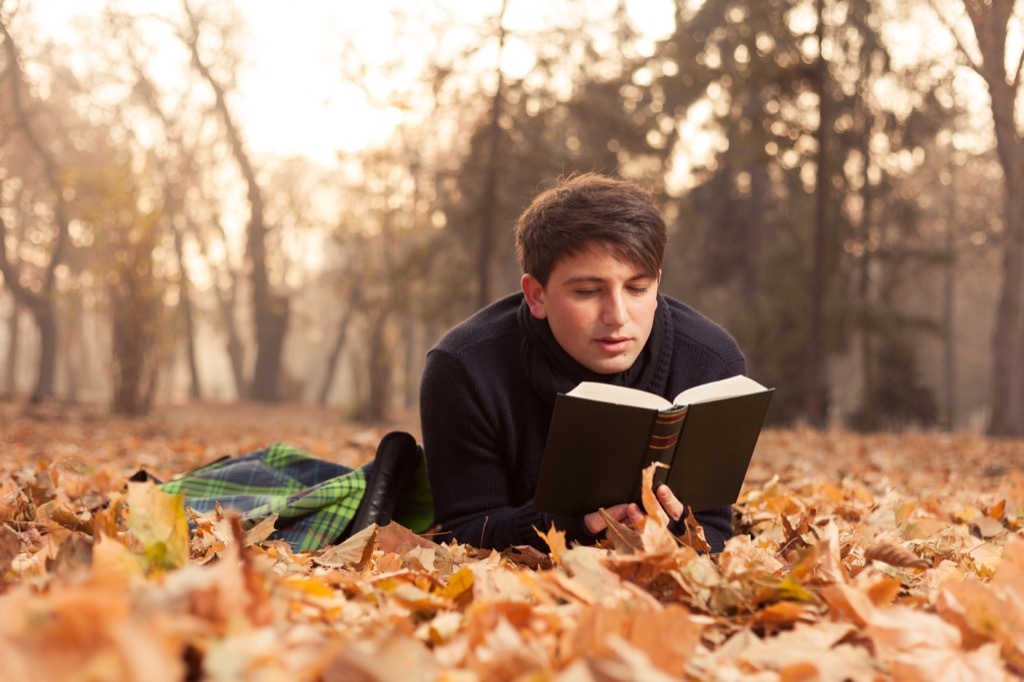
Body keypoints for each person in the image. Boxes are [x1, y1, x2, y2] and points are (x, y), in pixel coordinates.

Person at [419, 173, 747, 553]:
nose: (618, 315)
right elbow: (465, 531)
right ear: (536, 295)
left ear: (657, 283)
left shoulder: (712, 364)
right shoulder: (465, 369)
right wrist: (568, 527)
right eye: (589, 292)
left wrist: (677, 533)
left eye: (638, 288)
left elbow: (716, 533)